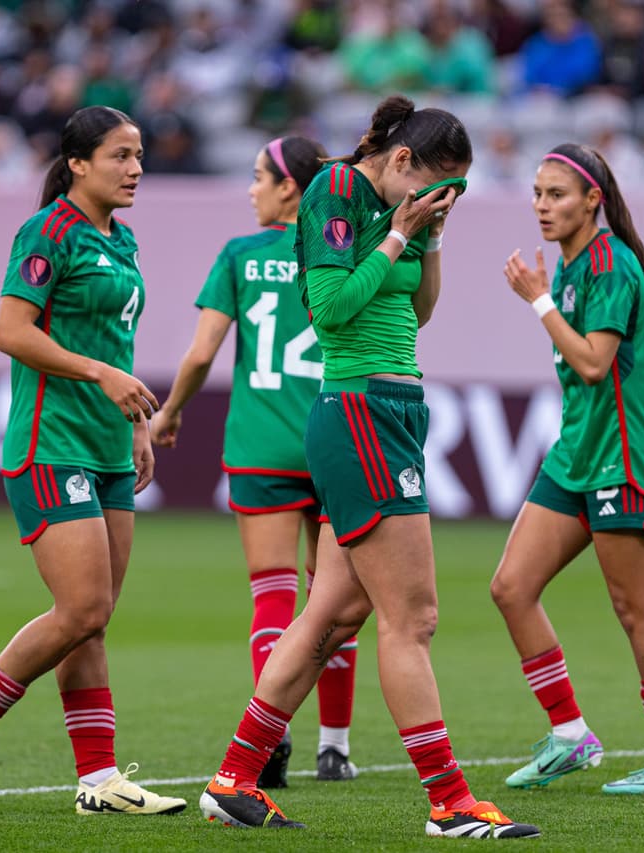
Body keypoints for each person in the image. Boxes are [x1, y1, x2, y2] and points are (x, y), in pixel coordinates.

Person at [197, 95, 541, 839]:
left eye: (457, 193)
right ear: (399, 160)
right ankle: (449, 801)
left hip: (390, 411)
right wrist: (397, 239)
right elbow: (329, 310)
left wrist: (431, 238)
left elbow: (416, 313)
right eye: (435, 186)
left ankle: (234, 776)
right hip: (359, 413)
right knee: (411, 617)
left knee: (330, 613)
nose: (441, 200)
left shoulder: (402, 209)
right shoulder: (338, 192)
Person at [0, 105, 187, 817]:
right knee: (81, 606)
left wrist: (133, 424)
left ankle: (99, 779)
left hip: (107, 446)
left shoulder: (124, 240)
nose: (135, 169)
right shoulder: (47, 232)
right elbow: (11, 331)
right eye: (120, 155)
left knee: (94, 619)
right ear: (77, 162)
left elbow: (116, 341)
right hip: (50, 445)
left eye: (140, 156)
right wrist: (101, 377)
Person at [151, 135, 361, 787]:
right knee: (331, 596)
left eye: (259, 178)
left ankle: (271, 738)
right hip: (334, 437)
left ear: (290, 188)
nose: (251, 189)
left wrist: (172, 410)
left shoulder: (241, 255)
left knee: (272, 595)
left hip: (260, 444)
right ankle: (335, 746)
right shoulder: (338, 249)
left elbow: (201, 353)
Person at [492, 142, 644, 795]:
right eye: (537, 193)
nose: (541, 206)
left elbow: (592, 363)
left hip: (623, 459)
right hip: (576, 453)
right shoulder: (576, 264)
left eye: (556, 194)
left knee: (635, 609)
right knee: (511, 587)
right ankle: (570, 734)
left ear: (592, 201)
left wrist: (537, 300)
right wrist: (547, 295)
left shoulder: (612, 265)